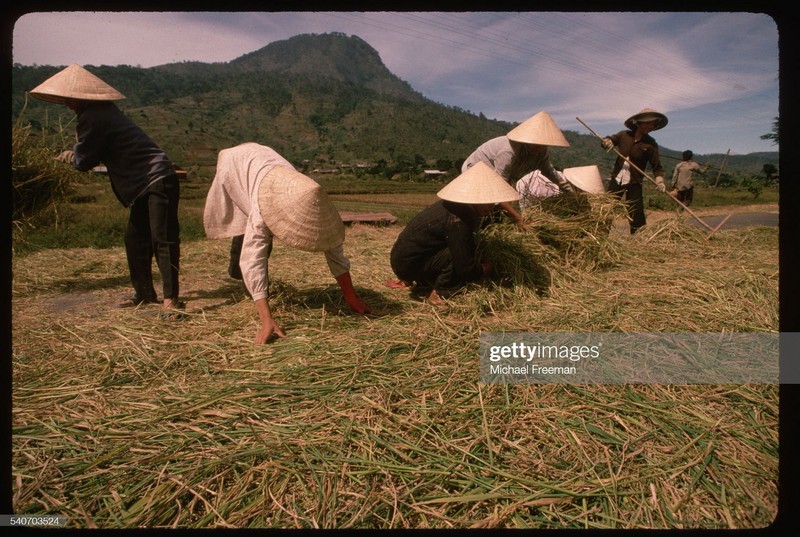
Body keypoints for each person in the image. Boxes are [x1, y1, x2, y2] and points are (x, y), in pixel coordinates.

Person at [29, 64, 182, 316]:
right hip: (142, 183)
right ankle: (144, 293)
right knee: (135, 239)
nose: (68, 103)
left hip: (157, 178)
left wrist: (70, 156)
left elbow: (85, 161)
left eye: (70, 98)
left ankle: (170, 300)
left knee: (162, 238)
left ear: (81, 98)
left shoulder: (93, 117)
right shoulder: (103, 112)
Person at [203, 143, 371, 343]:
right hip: (235, 163)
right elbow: (252, 258)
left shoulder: (311, 196)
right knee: (252, 239)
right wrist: (267, 319)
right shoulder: (261, 207)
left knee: (261, 237)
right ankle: (244, 282)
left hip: (263, 160)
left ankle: (250, 284)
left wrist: (351, 297)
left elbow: (334, 250)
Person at [387, 161, 521, 305]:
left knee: (464, 248)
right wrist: (482, 270)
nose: (490, 206)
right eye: (487, 202)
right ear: (474, 199)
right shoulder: (458, 219)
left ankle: (426, 279)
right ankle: (440, 292)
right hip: (407, 265)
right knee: (460, 255)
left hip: (405, 259)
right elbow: (465, 268)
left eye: (492, 202)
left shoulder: (457, 206)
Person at [462, 111, 573, 227]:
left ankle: (499, 223)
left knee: (502, 206)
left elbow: (548, 170)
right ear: (527, 139)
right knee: (484, 205)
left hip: (501, 175)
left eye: (543, 145)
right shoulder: (508, 151)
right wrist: (518, 218)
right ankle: (479, 229)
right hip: (477, 168)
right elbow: (499, 187)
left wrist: (564, 185)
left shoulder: (541, 151)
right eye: (536, 144)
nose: (540, 148)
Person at [600, 108, 668, 234]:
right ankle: (600, 235)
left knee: (636, 212)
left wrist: (660, 181)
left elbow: (657, 167)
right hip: (617, 179)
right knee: (607, 208)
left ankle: (638, 239)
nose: (650, 126)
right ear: (638, 123)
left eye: (652, 124)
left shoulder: (651, 144)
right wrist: (607, 142)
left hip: (634, 182)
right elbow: (610, 140)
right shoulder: (624, 135)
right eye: (647, 123)